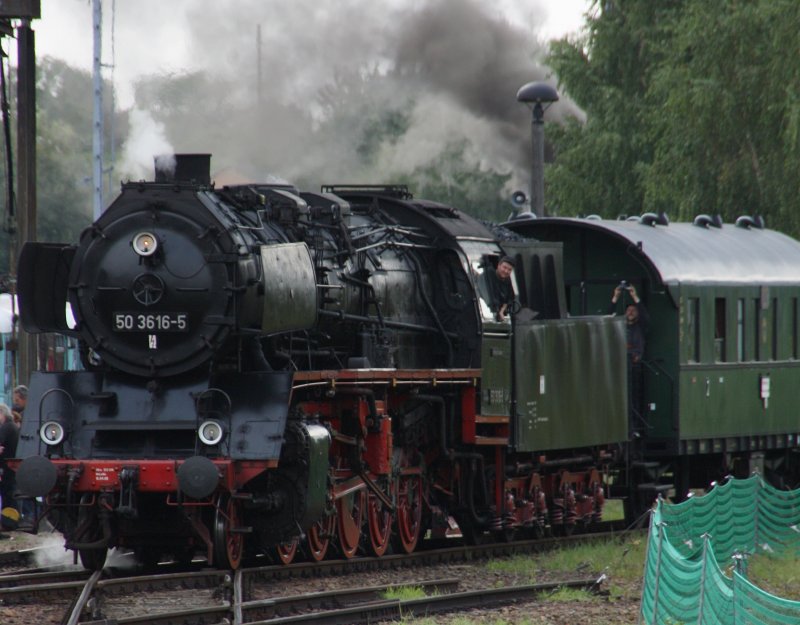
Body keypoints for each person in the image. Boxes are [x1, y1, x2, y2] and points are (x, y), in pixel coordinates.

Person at [609, 283, 649, 363]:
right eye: (629, 310)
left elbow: (644, 315)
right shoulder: (619, 326)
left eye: (633, 310)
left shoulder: (640, 326)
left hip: (634, 362)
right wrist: (616, 296)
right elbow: (609, 317)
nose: (631, 312)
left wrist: (634, 296)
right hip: (619, 361)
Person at [0, 403, 19, 528]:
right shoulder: (13, 427)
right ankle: (11, 521)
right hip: (11, 467)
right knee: (10, 495)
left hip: (5, 468)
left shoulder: (6, 427)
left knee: (7, 496)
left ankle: (8, 523)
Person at [486, 256, 516, 322]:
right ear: (498, 266)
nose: (506, 271)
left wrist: (502, 311)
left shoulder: (509, 281)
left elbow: (508, 299)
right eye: (504, 267)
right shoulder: (489, 275)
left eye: (509, 269)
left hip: (499, 316)